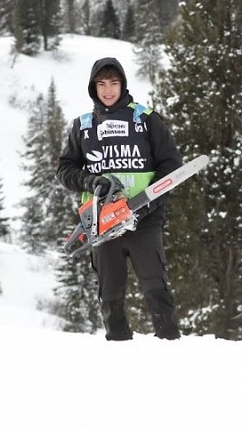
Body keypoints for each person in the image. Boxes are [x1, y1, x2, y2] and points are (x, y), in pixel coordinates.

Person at [57, 57, 183, 340]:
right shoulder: (83, 125)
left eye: (113, 83)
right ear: (93, 87)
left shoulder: (145, 119)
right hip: (102, 222)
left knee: (156, 287)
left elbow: (172, 165)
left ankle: (170, 344)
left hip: (144, 219)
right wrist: (89, 180)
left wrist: (148, 203)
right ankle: (117, 345)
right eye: (101, 84)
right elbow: (64, 170)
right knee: (110, 293)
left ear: (123, 84)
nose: (108, 90)